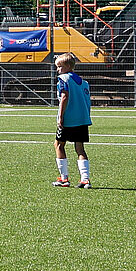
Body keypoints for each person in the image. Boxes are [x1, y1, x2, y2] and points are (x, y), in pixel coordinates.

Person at [53, 53, 92, 188]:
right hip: (82, 119)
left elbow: (64, 97)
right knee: (80, 148)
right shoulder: (83, 82)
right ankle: (85, 179)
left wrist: (60, 117)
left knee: (58, 145)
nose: (58, 70)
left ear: (68, 66)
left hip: (69, 119)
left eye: (60, 67)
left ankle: (64, 179)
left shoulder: (63, 79)